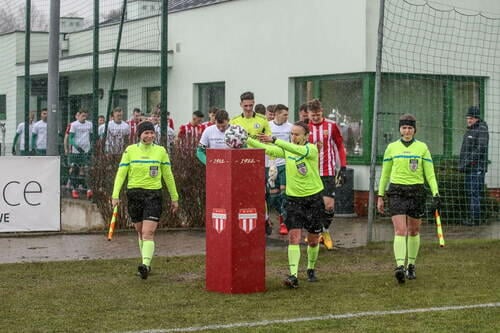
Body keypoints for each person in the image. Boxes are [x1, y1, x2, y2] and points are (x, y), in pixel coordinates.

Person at [247, 121, 324, 288]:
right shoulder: (287, 148)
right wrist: (247, 139)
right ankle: (293, 276)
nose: (293, 137)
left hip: (313, 199)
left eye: (297, 134)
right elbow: (267, 149)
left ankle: (310, 268)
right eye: (292, 134)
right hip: (293, 200)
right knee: (294, 238)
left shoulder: (311, 149)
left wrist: (275, 139)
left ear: (306, 136)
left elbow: (295, 150)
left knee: (312, 240)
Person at [111, 121, 179, 280]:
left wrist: (174, 197)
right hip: (134, 195)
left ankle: (146, 265)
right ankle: (145, 263)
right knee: (140, 232)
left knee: (148, 233)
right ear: (139, 134)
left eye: (151, 133)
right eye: (146, 133)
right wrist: (115, 195)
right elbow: (121, 173)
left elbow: (168, 175)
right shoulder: (130, 151)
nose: (149, 136)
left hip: (153, 195)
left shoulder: (161, 151)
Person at [377, 114, 440, 284]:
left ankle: (411, 264)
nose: (407, 131)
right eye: (404, 128)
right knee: (400, 231)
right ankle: (400, 267)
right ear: (399, 129)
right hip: (396, 191)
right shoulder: (391, 148)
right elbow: (385, 174)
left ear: (415, 130)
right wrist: (380, 195)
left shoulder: (422, 148)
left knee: (413, 231)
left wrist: (436, 193)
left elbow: (430, 173)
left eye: (410, 128)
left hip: (417, 192)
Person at [307, 99, 347, 250]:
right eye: (313, 115)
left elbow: (340, 146)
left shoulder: (331, 126)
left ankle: (325, 231)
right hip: (309, 173)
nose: (316, 117)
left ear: (321, 111)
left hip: (327, 172)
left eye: (318, 114)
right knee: (313, 206)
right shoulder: (304, 127)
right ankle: (315, 234)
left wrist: (342, 167)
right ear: (308, 114)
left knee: (329, 206)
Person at [459, 106, 489, 226]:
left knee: (474, 193)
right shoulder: (470, 130)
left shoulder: (481, 130)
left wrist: (468, 162)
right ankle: (473, 217)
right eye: (468, 118)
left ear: (477, 118)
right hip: (469, 168)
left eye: (471, 118)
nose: (469, 120)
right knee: (471, 193)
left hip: (476, 168)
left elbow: (481, 149)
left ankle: (475, 219)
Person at [267, 104, 293, 235]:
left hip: (284, 163)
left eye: (287, 115)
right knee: (273, 196)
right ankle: (281, 216)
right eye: (284, 114)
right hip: (271, 164)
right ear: (276, 114)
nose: (287, 117)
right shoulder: (268, 126)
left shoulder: (290, 127)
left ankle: (284, 222)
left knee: (284, 194)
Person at [69, 109, 93, 199]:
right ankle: (74, 189)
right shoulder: (74, 125)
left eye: (85, 116)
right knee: (74, 170)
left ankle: (89, 190)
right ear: (78, 115)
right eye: (82, 116)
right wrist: (76, 146)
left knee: (87, 170)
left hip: (85, 151)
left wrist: (90, 147)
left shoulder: (89, 124)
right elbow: (70, 138)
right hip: (76, 152)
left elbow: (91, 136)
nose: (84, 118)